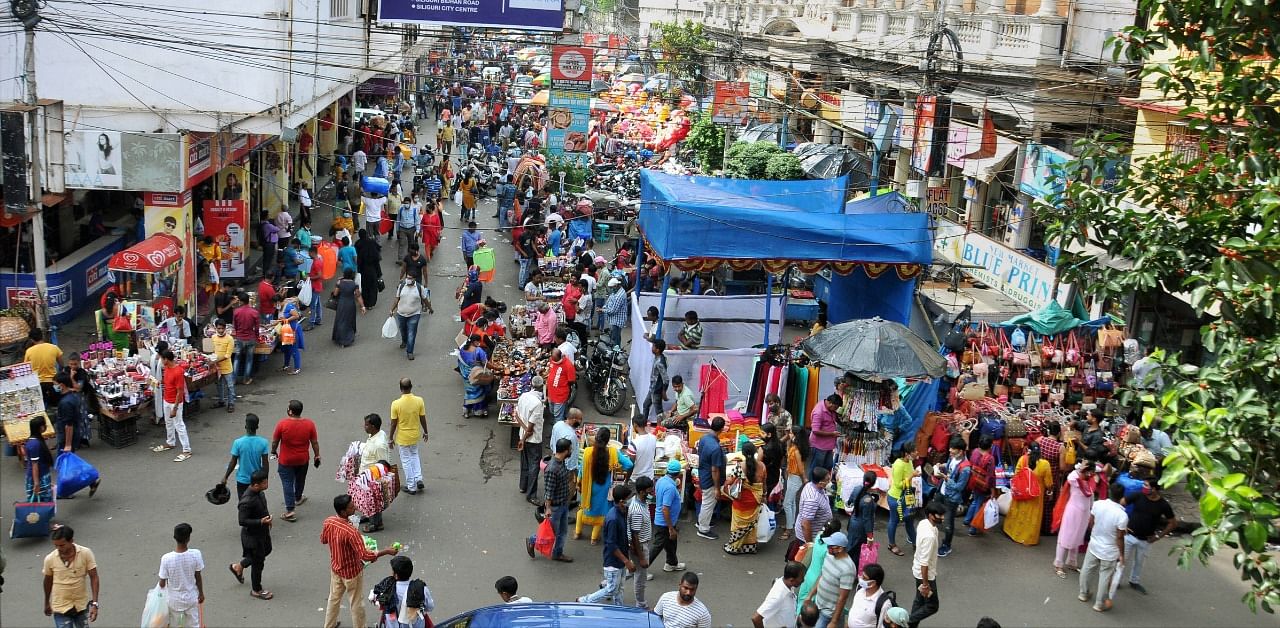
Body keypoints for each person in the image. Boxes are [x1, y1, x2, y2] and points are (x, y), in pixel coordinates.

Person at [321, 495, 399, 628]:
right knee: (356, 602)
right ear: (343, 512)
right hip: (352, 572)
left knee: (334, 599)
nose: (355, 508)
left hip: (336, 568)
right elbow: (365, 555)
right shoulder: (351, 532)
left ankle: (329, 625)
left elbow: (323, 539)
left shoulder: (329, 522)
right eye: (351, 507)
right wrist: (386, 551)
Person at [1121, 477, 1177, 596]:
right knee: (1121, 560)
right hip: (1129, 535)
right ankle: (1116, 581)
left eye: (1147, 486)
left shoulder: (1163, 505)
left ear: (1155, 489)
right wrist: (1122, 523)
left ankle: (1134, 581)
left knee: (1139, 562)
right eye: (1144, 485)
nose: (1144, 488)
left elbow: (1172, 523)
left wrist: (1158, 536)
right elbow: (1122, 503)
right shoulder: (1137, 495)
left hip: (1146, 539)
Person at [577, 427, 634, 543]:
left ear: (596, 438)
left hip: (588, 487)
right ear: (608, 441)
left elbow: (581, 470)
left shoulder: (588, 452)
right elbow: (629, 464)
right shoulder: (613, 452)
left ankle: (577, 532)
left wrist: (579, 483)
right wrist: (617, 466)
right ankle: (594, 538)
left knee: (584, 508)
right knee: (602, 511)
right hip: (604, 488)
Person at [1079, 483, 1128, 612]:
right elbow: (1120, 538)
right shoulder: (1122, 516)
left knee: (1087, 569)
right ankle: (1099, 604)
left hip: (1094, 544)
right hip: (1110, 551)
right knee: (1105, 576)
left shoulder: (1098, 504)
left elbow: (1091, 523)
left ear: (1109, 492)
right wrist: (1122, 555)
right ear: (1122, 497)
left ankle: (1083, 594)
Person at [527, 437, 576, 563]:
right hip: (555, 507)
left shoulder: (561, 462)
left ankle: (557, 553)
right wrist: (548, 508)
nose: (571, 451)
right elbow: (549, 491)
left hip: (564, 504)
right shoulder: (552, 469)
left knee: (563, 531)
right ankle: (532, 540)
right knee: (550, 533)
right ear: (565, 451)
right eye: (570, 449)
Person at [270, 399, 321, 522]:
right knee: (300, 479)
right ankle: (298, 497)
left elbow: (275, 441)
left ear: (291, 411)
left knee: (287, 483)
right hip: (303, 459)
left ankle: (290, 510)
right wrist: (317, 455)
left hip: (286, 460)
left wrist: (273, 451)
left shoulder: (282, 424)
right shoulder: (309, 424)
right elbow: (314, 442)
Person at [43, 524, 100, 627]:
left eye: (62, 545)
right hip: (60, 608)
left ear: (71, 541)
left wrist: (95, 604)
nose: (58, 548)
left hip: (81, 606)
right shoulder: (50, 559)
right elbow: (48, 581)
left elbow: (94, 577)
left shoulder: (85, 553)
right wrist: (47, 602)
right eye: (56, 545)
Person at [230, 469, 273, 599]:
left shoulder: (260, 493)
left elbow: (263, 508)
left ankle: (239, 566)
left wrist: (267, 520)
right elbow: (242, 521)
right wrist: (260, 521)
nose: (267, 484)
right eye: (264, 483)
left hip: (262, 532)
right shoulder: (247, 501)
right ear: (255, 485)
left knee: (267, 550)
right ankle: (256, 589)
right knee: (258, 562)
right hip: (252, 536)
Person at [1005, 442, 1054, 546]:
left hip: (1022, 492)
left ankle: (1013, 532)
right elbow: (1048, 482)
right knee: (1032, 516)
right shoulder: (1045, 464)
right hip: (1035, 495)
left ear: (1028, 450)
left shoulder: (1023, 459)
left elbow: (1017, 474)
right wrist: (1050, 491)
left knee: (1018, 512)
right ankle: (1027, 538)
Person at [802, 531, 855, 628]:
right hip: (817, 604)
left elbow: (843, 598)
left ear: (840, 549)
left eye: (831, 546)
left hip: (829, 612)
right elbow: (822, 576)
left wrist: (834, 621)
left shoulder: (848, 568)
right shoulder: (828, 555)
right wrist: (810, 595)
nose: (828, 548)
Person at [1053, 462, 1097, 577]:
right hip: (1072, 512)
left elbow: (1091, 498)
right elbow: (1071, 477)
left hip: (1084, 514)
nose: (1091, 474)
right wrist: (1080, 470)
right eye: (1089, 471)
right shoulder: (1074, 478)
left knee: (1078, 538)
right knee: (1065, 538)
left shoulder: (1090, 482)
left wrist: (1092, 511)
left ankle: (1072, 562)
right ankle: (1059, 564)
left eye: (1092, 472)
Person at [723, 441, 767, 555]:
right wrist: (764, 496)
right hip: (755, 501)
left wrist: (726, 481)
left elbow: (730, 481)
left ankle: (734, 546)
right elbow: (764, 484)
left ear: (742, 453)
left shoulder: (739, 466)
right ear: (755, 452)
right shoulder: (762, 466)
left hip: (741, 501)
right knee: (752, 525)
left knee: (738, 524)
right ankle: (750, 547)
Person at [157, 523, 204, 628]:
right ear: (188, 538)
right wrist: (201, 593)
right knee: (194, 624)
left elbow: (162, 583)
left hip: (174, 601)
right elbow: (198, 577)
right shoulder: (196, 554)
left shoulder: (166, 559)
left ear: (174, 538)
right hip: (191, 597)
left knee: (179, 624)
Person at [908, 501, 946, 628]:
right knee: (932, 606)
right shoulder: (929, 536)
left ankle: (910, 625)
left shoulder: (924, 524)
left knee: (919, 601)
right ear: (931, 515)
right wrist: (925, 584)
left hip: (918, 570)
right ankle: (905, 622)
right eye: (939, 515)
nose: (942, 518)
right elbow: (924, 564)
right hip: (925, 575)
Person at [372, 555, 435, 628]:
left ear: (395, 575)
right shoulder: (422, 589)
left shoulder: (387, 589)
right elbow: (430, 607)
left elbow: (377, 600)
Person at [390, 378, 429, 495]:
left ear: (400, 388)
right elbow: (423, 418)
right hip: (415, 435)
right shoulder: (419, 401)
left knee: (406, 461)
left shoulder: (396, 404)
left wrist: (390, 438)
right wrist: (426, 432)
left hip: (402, 437)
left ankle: (411, 486)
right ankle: (418, 478)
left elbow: (393, 423)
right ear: (411, 387)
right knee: (414, 455)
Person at [152, 350, 193, 462]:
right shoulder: (166, 368)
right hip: (166, 400)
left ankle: (187, 449)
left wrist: (175, 408)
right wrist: (158, 383)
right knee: (169, 423)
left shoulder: (178, 371)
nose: (160, 360)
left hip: (175, 403)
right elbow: (167, 382)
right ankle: (170, 442)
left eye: (161, 358)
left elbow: (180, 392)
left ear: (166, 359)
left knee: (179, 425)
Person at [935, 437, 971, 557]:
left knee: (949, 523)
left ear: (960, 451)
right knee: (934, 511)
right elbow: (950, 466)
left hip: (952, 498)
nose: (950, 451)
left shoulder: (966, 469)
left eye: (953, 450)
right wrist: (942, 466)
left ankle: (947, 545)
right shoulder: (953, 458)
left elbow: (959, 487)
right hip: (942, 491)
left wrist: (946, 479)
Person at [221, 414, 270, 499]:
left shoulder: (238, 443)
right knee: (257, 503)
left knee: (244, 503)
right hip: (257, 481)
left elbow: (233, 462)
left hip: (242, 480)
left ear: (245, 426)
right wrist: (265, 480)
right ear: (257, 427)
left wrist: (225, 477)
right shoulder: (263, 442)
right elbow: (265, 464)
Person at [651, 459, 687, 573]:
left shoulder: (661, 480)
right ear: (678, 474)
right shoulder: (670, 488)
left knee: (671, 542)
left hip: (666, 521)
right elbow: (665, 508)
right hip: (664, 523)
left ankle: (671, 563)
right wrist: (670, 528)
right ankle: (641, 569)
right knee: (657, 547)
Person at [515, 376, 546, 504]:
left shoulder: (524, 396)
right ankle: (531, 494)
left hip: (523, 434)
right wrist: (523, 438)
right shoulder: (538, 404)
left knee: (525, 462)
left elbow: (516, 415)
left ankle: (523, 486)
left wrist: (523, 433)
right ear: (541, 387)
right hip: (533, 440)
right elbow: (531, 429)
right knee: (534, 466)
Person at [695, 417, 727, 540]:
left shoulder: (704, 438)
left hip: (703, 474)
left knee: (706, 502)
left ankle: (702, 521)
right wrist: (717, 488)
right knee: (708, 503)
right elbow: (715, 470)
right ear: (722, 429)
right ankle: (703, 529)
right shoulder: (715, 448)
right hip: (709, 479)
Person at [794, 467, 833, 557]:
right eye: (827, 480)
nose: (829, 482)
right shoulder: (812, 499)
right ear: (820, 483)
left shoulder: (812, 485)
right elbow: (805, 524)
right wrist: (810, 545)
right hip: (811, 538)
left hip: (818, 533)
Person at [752, 561, 805, 628]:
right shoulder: (778, 597)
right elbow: (756, 619)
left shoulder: (787, 585)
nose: (803, 580)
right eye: (801, 578)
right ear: (791, 580)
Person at [629, 476, 656, 608]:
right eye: (649, 492)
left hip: (642, 543)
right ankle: (641, 603)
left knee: (632, 570)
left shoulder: (640, 501)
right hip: (640, 545)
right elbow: (635, 536)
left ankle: (609, 583)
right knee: (641, 577)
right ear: (641, 492)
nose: (651, 494)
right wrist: (641, 558)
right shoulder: (637, 511)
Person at [886, 448, 917, 557]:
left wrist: (914, 475)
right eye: (914, 451)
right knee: (894, 521)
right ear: (907, 454)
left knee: (909, 519)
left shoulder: (910, 461)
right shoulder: (899, 465)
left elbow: (910, 475)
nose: (917, 452)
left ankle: (915, 543)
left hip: (908, 496)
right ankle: (892, 544)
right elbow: (899, 485)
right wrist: (912, 476)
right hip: (896, 498)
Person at [844, 470, 879, 566]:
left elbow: (849, 501)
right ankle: (851, 571)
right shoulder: (868, 501)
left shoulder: (857, 489)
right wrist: (870, 537)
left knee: (850, 546)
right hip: (860, 528)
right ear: (873, 483)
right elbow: (867, 520)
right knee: (856, 552)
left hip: (852, 523)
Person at [963, 435, 997, 536]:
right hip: (982, 484)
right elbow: (991, 476)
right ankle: (973, 528)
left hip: (973, 480)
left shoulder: (975, 452)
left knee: (974, 500)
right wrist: (993, 491)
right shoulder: (990, 459)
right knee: (979, 503)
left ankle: (967, 520)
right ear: (990, 446)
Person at [390, 274, 428, 360]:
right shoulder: (401, 286)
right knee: (403, 329)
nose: (408, 279)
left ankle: (410, 352)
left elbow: (425, 299)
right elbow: (397, 298)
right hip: (401, 313)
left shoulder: (419, 288)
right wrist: (392, 309)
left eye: (410, 278)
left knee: (411, 333)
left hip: (414, 314)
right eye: (407, 277)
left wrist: (430, 308)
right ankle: (404, 341)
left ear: (414, 278)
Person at [781, 425, 809, 542]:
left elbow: (801, 468)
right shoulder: (794, 446)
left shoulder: (797, 450)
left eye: (791, 433)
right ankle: (790, 524)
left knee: (787, 504)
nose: (789, 435)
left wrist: (804, 479)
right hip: (792, 476)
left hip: (796, 477)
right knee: (791, 502)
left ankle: (788, 529)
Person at [846, 562, 895, 628]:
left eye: (864, 578)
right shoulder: (860, 588)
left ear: (873, 583)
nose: (861, 579)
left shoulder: (884, 604)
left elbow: (881, 626)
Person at [24, 328, 63, 407]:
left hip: (38, 384)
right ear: (42, 336)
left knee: (41, 406)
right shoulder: (54, 347)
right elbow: (61, 365)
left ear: (31, 340)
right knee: (57, 405)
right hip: (53, 382)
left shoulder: (29, 351)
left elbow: (27, 369)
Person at [331, 268, 366, 347]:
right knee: (349, 320)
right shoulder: (354, 284)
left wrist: (337, 284)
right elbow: (358, 296)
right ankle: (348, 338)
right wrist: (362, 306)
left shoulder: (340, 283)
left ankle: (340, 338)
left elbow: (335, 294)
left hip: (341, 304)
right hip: (350, 304)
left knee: (341, 320)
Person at [808, 394, 842, 476]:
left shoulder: (829, 409)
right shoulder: (819, 412)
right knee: (816, 469)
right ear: (831, 404)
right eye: (836, 407)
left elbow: (834, 418)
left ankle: (822, 484)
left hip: (828, 446)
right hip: (819, 446)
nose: (836, 410)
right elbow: (815, 430)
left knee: (827, 466)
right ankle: (811, 486)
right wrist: (832, 434)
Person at [457, 335, 490, 417]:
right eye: (478, 341)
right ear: (475, 341)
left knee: (469, 392)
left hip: (466, 375)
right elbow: (486, 363)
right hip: (476, 374)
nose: (479, 343)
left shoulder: (462, 349)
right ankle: (478, 410)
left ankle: (466, 411)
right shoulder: (478, 351)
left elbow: (459, 362)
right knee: (480, 391)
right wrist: (497, 367)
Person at [24, 415, 54, 502]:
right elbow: (34, 465)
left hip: (41, 475)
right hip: (39, 476)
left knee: (40, 501)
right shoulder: (35, 444)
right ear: (41, 427)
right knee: (42, 500)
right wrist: (36, 483)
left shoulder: (35, 441)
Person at [232, 291, 260, 385]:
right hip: (250, 338)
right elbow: (256, 328)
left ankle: (233, 379)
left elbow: (235, 326)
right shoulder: (254, 312)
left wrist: (237, 334)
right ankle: (246, 379)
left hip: (240, 338)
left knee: (237, 358)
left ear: (241, 301)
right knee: (249, 359)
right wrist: (256, 337)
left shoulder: (236, 312)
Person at [209, 319, 236, 412]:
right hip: (217, 367)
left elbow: (227, 355)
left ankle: (231, 403)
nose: (220, 330)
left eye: (222, 328)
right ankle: (221, 401)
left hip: (227, 367)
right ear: (216, 328)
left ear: (225, 328)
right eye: (219, 328)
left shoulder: (230, 339)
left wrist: (214, 361)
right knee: (219, 385)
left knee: (230, 386)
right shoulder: (213, 337)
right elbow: (211, 351)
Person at [544, 347, 575, 422]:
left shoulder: (568, 365)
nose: (553, 362)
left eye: (555, 361)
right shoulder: (552, 359)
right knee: (552, 411)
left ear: (560, 357)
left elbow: (572, 381)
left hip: (560, 396)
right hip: (551, 393)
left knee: (558, 416)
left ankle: (558, 429)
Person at [642, 339, 670, 422]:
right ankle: (643, 423)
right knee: (646, 405)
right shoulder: (660, 357)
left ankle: (660, 428)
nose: (652, 348)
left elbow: (666, 378)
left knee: (659, 411)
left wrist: (663, 391)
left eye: (653, 346)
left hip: (656, 390)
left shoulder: (659, 362)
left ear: (657, 350)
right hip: (652, 388)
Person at [356, 229, 383, 308]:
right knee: (373, 287)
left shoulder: (358, 244)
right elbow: (378, 249)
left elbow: (358, 258)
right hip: (373, 269)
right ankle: (371, 303)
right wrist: (379, 273)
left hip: (364, 270)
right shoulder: (372, 243)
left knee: (365, 286)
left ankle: (366, 302)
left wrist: (359, 270)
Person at [630, 415, 658, 482]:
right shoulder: (653, 438)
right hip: (650, 477)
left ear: (635, 425)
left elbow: (630, 465)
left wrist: (626, 480)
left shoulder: (633, 443)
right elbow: (654, 455)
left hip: (636, 479)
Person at [602, 278, 629, 347]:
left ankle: (615, 353)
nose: (611, 289)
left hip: (617, 321)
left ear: (616, 286)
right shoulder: (616, 291)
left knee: (615, 339)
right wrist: (605, 307)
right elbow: (609, 300)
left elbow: (612, 311)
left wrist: (602, 310)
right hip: (614, 320)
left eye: (611, 288)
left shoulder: (619, 296)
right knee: (614, 337)